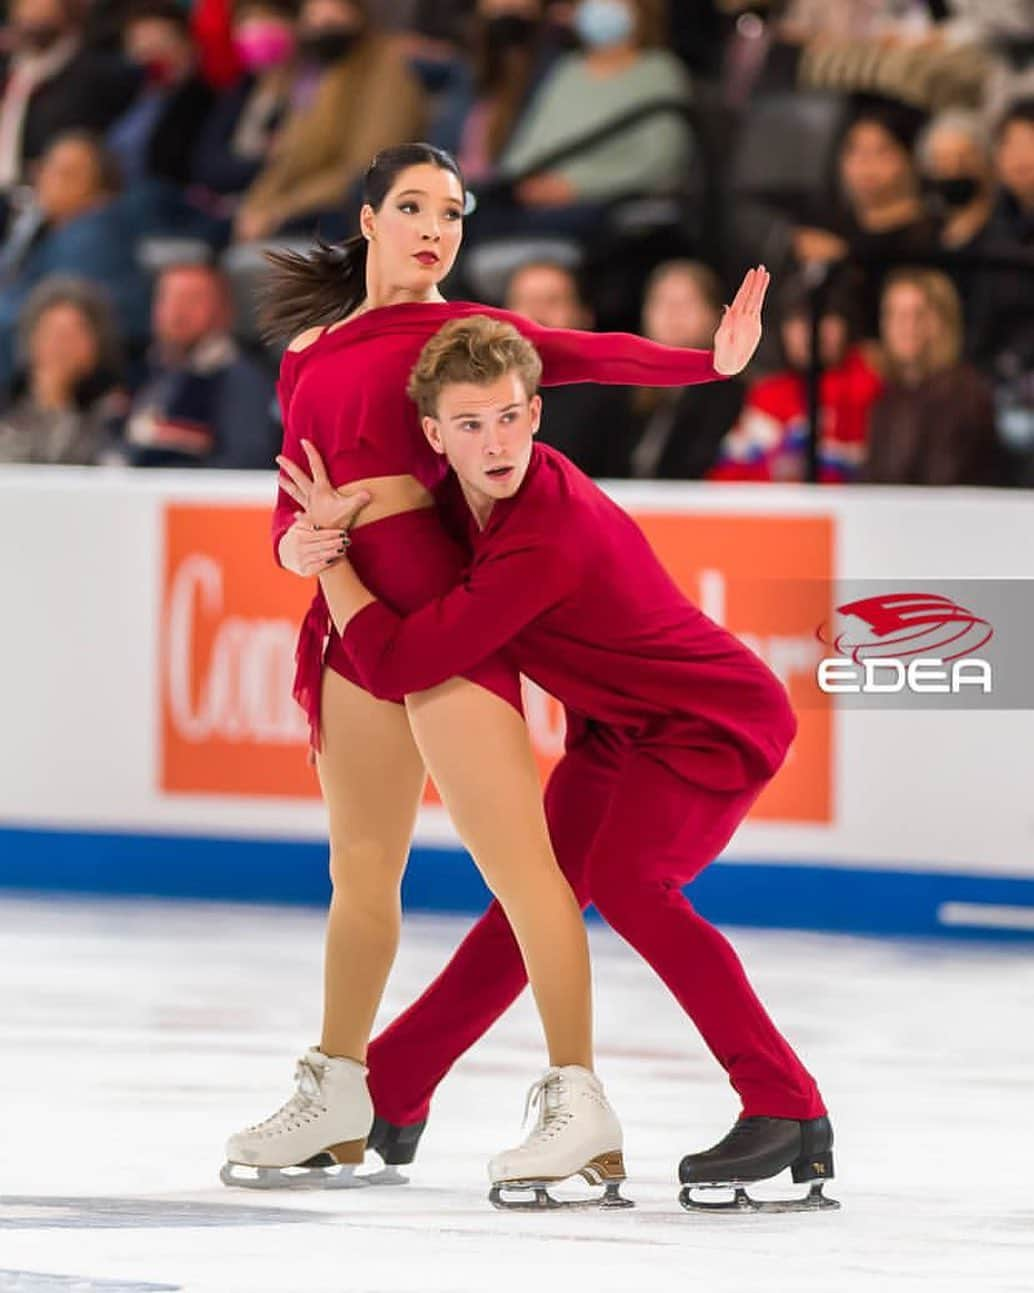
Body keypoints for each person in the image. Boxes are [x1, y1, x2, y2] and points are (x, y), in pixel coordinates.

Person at [222, 142, 767, 1201]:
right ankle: (339, 1089)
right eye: (414, 207)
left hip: (443, 624)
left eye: (453, 211)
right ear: (369, 218)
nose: (436, 228)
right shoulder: (307, 355)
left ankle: (578, 1098)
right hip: (344, 618)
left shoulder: (460, 339)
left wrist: (708, 363)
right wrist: (296, 548)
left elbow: (596, 349)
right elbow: (295, 497)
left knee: (525, 872)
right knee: (360, 871)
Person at [276, 311, 834, 1214]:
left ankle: (787, 1104)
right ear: (434, 437)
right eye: (469, 425)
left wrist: (331, 559)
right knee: (529, 898)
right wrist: (318, 528)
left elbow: (399, 664)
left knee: (626, 879)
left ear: (537, 414)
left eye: (507, 418)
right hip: (618, 730)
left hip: (709, 721)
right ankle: (394, 1085)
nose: (493, 443)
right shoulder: (459, 503)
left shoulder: (545, 536)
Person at [230, 0, 425, 242]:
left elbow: (368, 168)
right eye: (314, 13)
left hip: (347, 213)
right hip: (301, 208)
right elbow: (287, 160)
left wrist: (280, 210)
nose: (322, 19)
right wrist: (256, 207)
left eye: (334, 10)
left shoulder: (389, 73)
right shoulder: (316, 77)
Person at [0, 131, 152, 392]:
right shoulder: (54, 229)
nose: (45, 178)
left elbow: (53, 307)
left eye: (65, 173)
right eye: (48, 167)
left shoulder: (94, 236)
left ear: (100, 191)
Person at [708, 275, 883, 483]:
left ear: (848, 325)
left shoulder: (870, 386)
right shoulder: (767, 395)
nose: (811, 330)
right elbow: (726, 478)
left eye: (827, 316)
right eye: (798, 319)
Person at [123, 260, 279, 469]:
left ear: (224, 311)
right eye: (168, 298)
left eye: (193, 300)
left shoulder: (241, 380)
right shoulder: (139, 371)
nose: (177, 311)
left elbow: (244, 463)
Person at [864, 269, 1000, 486]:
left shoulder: (963, 396)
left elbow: (940, 487)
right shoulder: (888, 396)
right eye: (893, 314)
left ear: (944, 322)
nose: (905, 326)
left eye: (918, 314)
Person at [503, 257, 627, 476]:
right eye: (526, 301)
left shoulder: (614, 396)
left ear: (584, 316)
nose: (537, 313)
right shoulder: (476, 389)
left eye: (553, 301)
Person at [0, 275, 126, 464]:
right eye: (52, 334)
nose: (61, 347)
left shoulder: (115, 412)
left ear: (96, 344)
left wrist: (59, 400)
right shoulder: (8, 405)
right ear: (31, 342)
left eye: (72, 335)